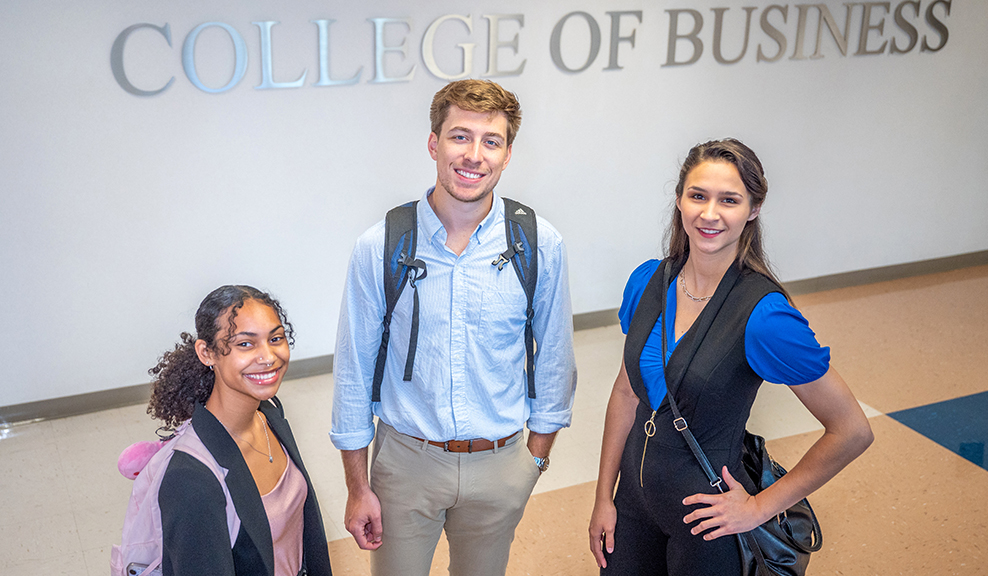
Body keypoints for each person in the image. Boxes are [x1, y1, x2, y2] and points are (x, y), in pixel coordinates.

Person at [588, 139, 874, 575]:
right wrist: (603, 496)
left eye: (729, 200)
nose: (709, 214)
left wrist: (758, 508)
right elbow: (627, 394)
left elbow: (852, 431)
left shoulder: (764, 316)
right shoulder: (647, 281)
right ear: (680, 199)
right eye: (697, 196)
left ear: (753, 210)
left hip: (709, 526)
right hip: (630, 508)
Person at [331, 79, 578, 576]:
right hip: (406, 464)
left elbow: (554, 358)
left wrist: (533, 462)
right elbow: (353, 371)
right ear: (433, 144)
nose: (474, 155)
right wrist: (359, 487)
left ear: (508, 154)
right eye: (459, 136)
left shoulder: (539, 243)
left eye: (492, 141)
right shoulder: (381, 245)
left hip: (501, 464)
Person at [147, 285, 333, 576]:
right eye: (245, 344)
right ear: (206, 353)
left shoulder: (270, 415)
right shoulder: (190, 478)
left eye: (276, 338)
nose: (269, 356)